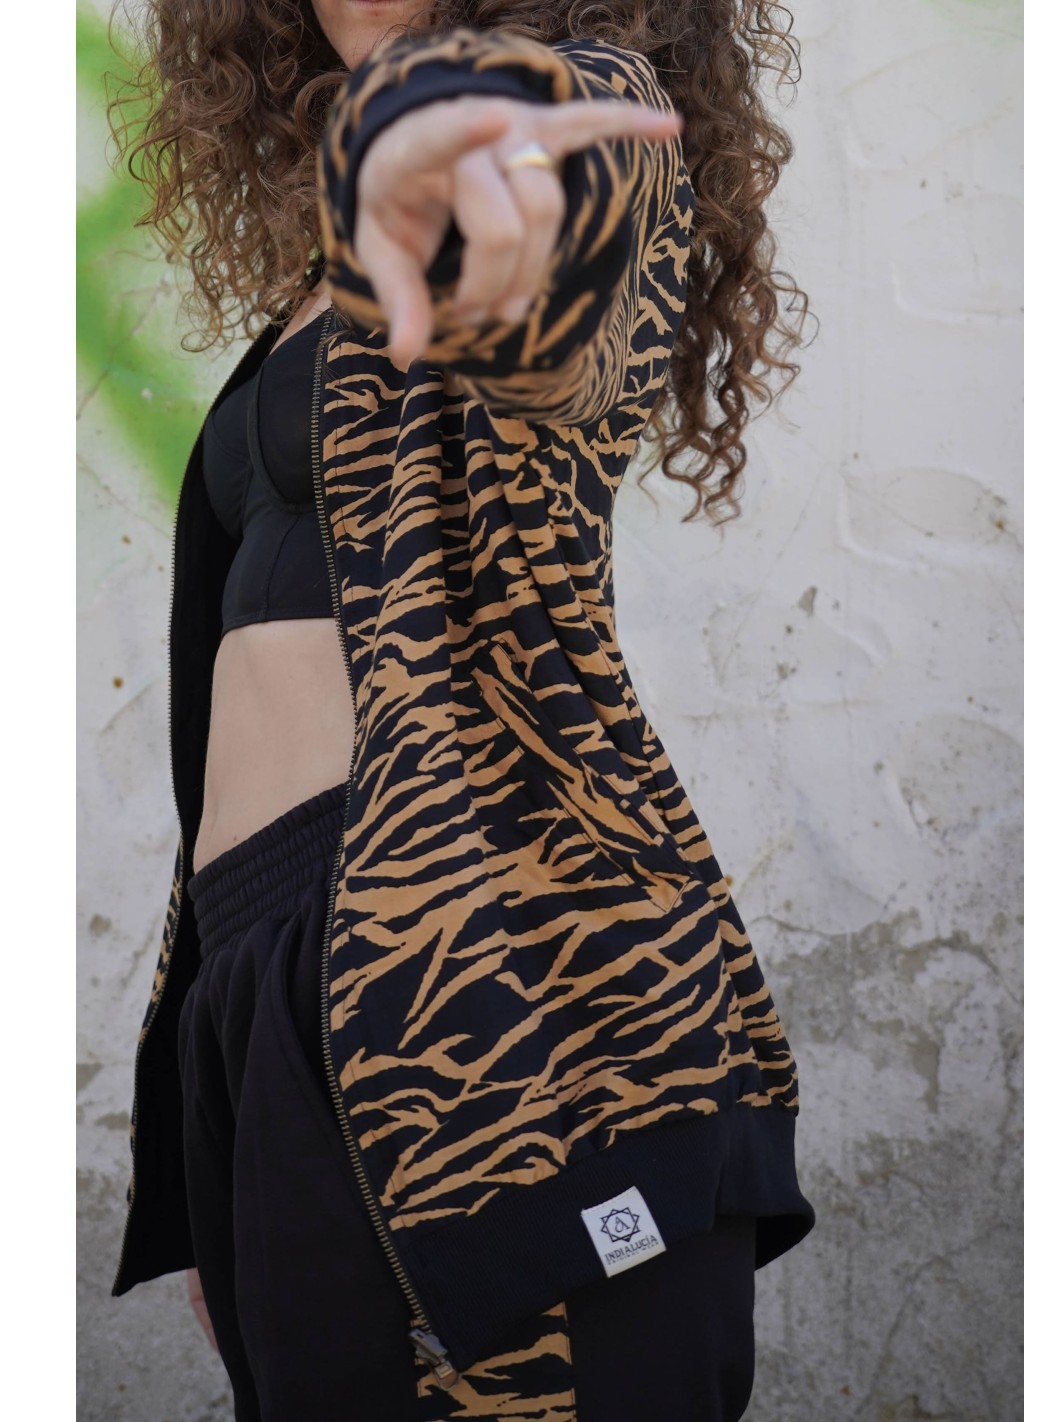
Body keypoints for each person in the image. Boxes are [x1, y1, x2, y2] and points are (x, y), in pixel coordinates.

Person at [107, 1, 816, 1418]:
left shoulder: (581, 132)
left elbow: (560, 240)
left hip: (491, 972)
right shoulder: (324, 277)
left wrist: (464, 130)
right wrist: (223, 1123)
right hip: (270, 972)